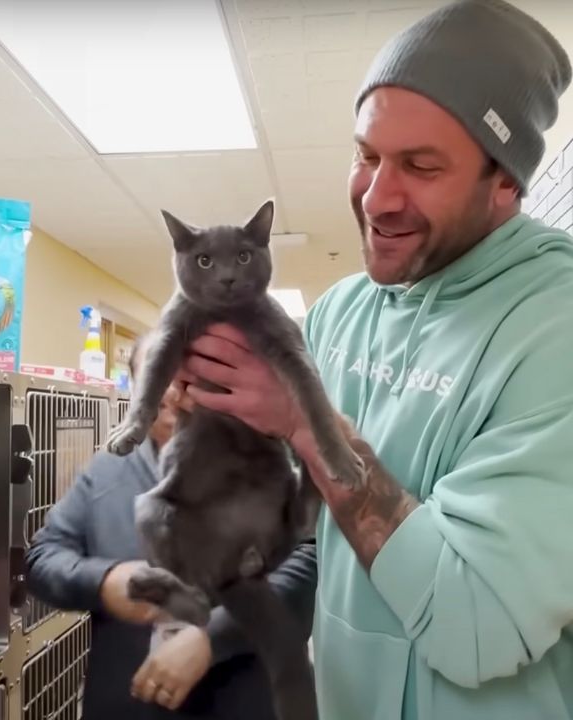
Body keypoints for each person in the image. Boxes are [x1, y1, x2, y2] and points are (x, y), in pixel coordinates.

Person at [175, 1, 573, 718]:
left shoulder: (555, 325)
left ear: (505, 180)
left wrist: (307, 421)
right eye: (366, 155)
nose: (377, 196)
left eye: (421, 166)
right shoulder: (340, 311)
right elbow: (310, 527)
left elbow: (475, 626)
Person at [25, 367, 317, 718]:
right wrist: (104, 581)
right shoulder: (105, 473)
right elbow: (42, 558)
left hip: (241, 698)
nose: (171, 394)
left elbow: (305, 567)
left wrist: (212, 637)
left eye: (186, 381)